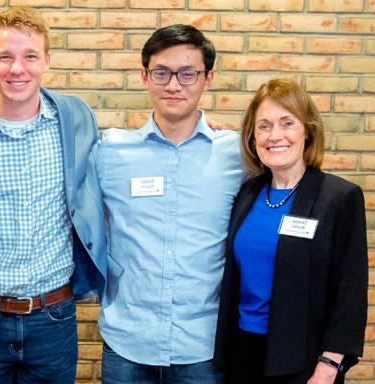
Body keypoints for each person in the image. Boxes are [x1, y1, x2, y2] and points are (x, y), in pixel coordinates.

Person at [0, 6, 106, 383]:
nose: (18, 69)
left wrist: (202, 122)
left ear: (47, 60)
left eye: (30, 56)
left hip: (54, 317)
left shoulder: (76, 117)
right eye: (5, 57)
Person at [94, 24, 243, 384]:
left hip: (202, 349)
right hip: (127, 342)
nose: (173, 85)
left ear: (208, 78)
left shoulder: (238, 155)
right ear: (144, 76)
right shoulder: (109, 151)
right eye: (161, 72)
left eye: (187, 73)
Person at [215, 79, 368, 384]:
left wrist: (329, 365)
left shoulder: (338, 198)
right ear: (252, 136)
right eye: (264, 126)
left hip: (304, 362)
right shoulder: (247, 193)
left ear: (307, 131)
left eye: (287, 123)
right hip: (241, 353)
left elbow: (350, 292)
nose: (275, 136)